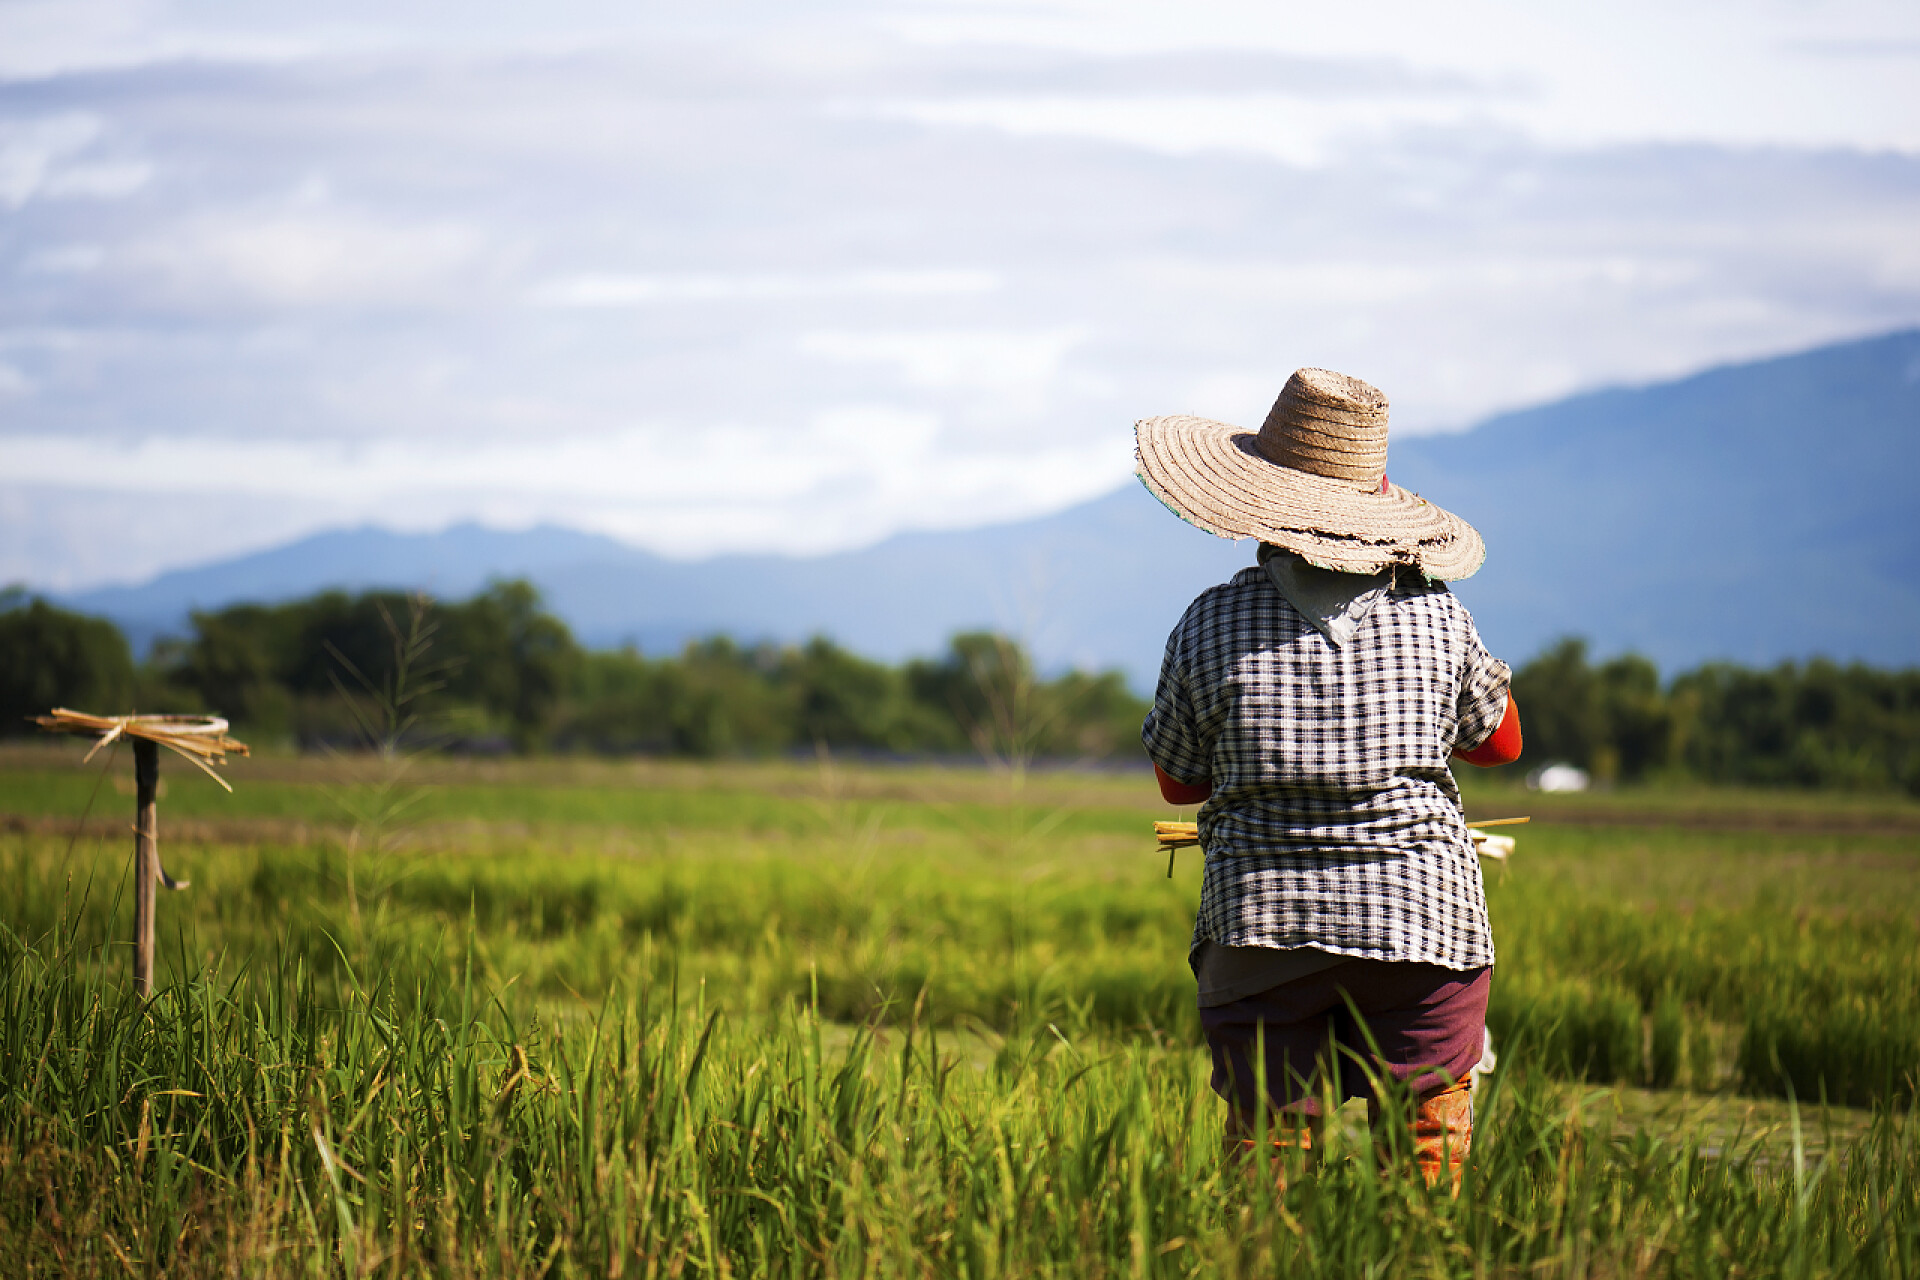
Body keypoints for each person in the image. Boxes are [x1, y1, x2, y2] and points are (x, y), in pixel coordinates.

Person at [1135, 368, 1522, 1190]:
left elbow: (1178, 784)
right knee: (1424, 1149)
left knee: (1269, 1156)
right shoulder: (1439, 615)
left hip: (1259, 925)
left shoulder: (1209, 621)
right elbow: (1501, 745)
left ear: (1257, 504)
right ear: (1377, 506)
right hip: (1426, 923)